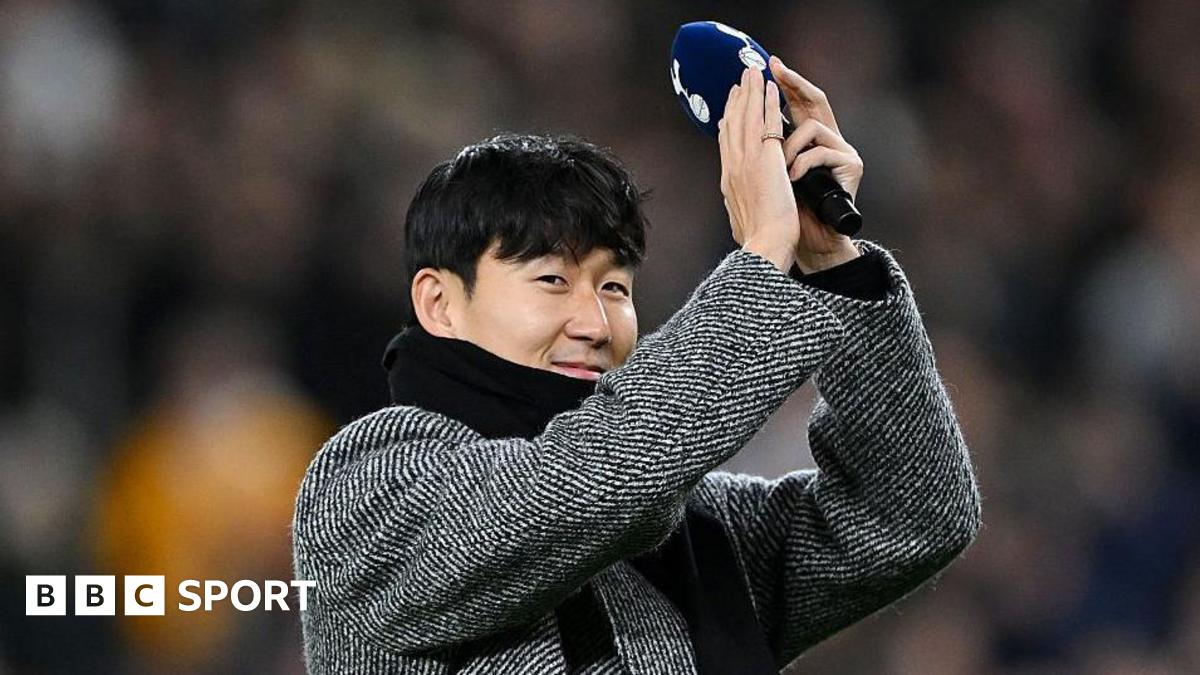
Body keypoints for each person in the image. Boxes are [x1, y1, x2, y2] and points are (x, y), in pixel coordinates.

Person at [291, 55, 981, 674]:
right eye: (552, 281)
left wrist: (828, 263)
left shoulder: (690, 523)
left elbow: (912, 515)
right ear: (439, 303)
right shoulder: (363, 487)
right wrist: (760, 256)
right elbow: (576, 486)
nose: (595, 323)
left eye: (615, 287)